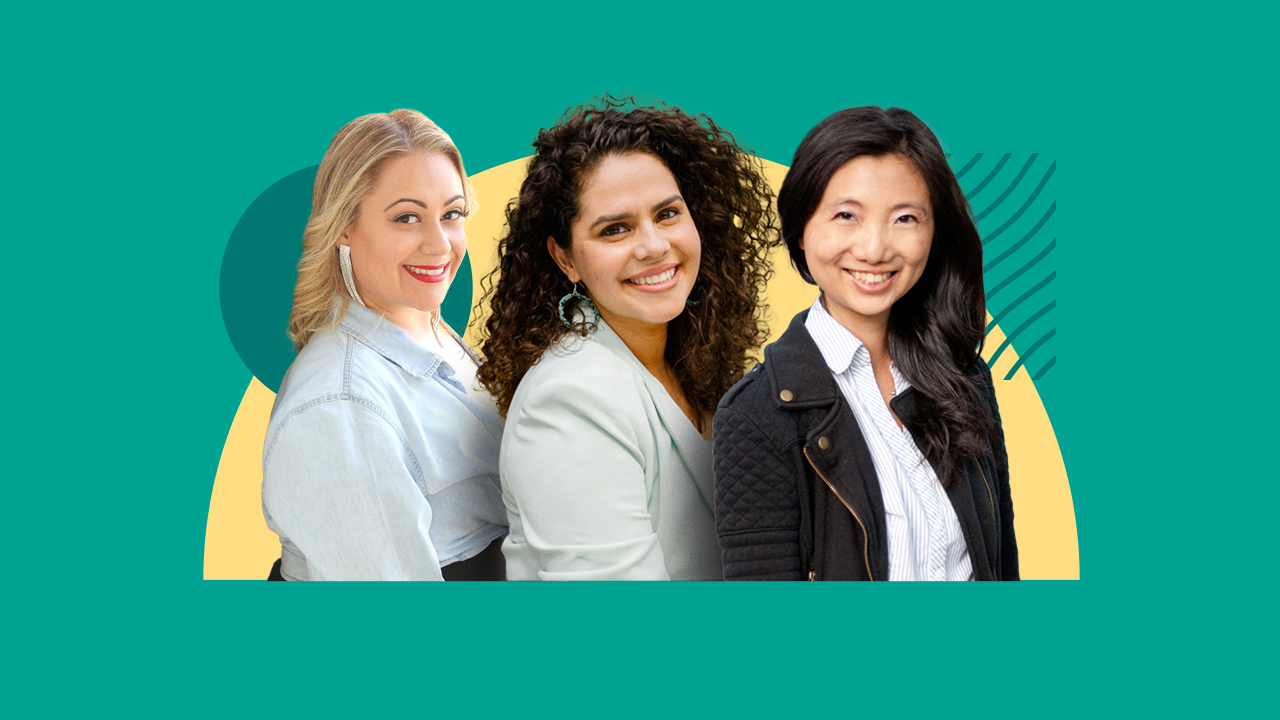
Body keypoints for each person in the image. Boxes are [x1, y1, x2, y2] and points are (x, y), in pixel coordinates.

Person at [476, 98, 777, 580]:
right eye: (615, 229)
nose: (654, 246)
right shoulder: (568, 402)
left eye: (667, 214)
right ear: (566, 259)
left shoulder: (691, 356)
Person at [712, 107, 1018, 581]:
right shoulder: (756, 416)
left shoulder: (965, 376)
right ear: (801, 228)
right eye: (846, 215)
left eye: (905, 218)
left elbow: (1002, 564)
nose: (874, 248)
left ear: (934, 231)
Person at [261, 110, 507, 581]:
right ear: (343, 227)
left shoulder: (429, 329)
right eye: (407, 218)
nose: (440, 245)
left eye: (451, 214)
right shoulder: (340, 408)